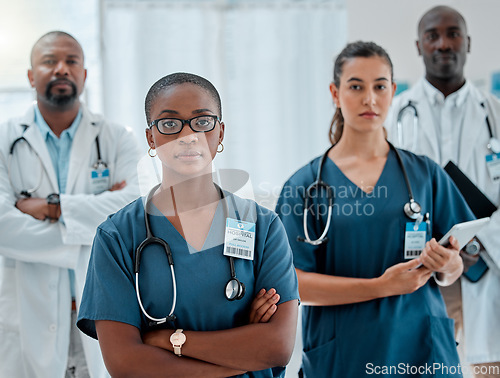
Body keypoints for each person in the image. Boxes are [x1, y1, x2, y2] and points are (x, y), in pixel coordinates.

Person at [77, 72, 300, 377]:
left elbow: (276, 347)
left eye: (202, 121)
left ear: (220, 133)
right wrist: (239, 355)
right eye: (170, 123)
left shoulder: (263, 227)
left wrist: (170, 341)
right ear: (151, 138)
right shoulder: (117, 237)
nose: (188, 135)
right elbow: (126, 364)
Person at [275, 41, 475, 378]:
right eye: (356, 86)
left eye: (380, 86)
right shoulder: (305, 186)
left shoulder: (425, 174)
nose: (370, 99)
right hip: (346, 353)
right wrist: (379, 287)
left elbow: (457, 259)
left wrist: (449, 266)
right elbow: (292, 284)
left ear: (393, 91)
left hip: (423, 350)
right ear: (335, 93)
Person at [0, 31, 141, 377]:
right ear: (32, 76)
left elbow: (135, 211)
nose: (61, 68)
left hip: (100, 311)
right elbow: (3, 228)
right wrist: (94, 227)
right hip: (26, 310)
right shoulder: (5, 140)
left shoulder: (116, 138)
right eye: (50, 61)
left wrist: (51, 209)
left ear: (84, 75)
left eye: (72, 61)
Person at [386, 6, 500, 377]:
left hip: (488, 268)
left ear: (467, 43)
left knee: (488, 369)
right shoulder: (394, 115)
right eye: (432, 36)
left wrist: (476, 242)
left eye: (453, 34)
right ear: (419, 46)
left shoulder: (495, 113)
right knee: (429, 366)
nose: (443, 44)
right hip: (424, 266)